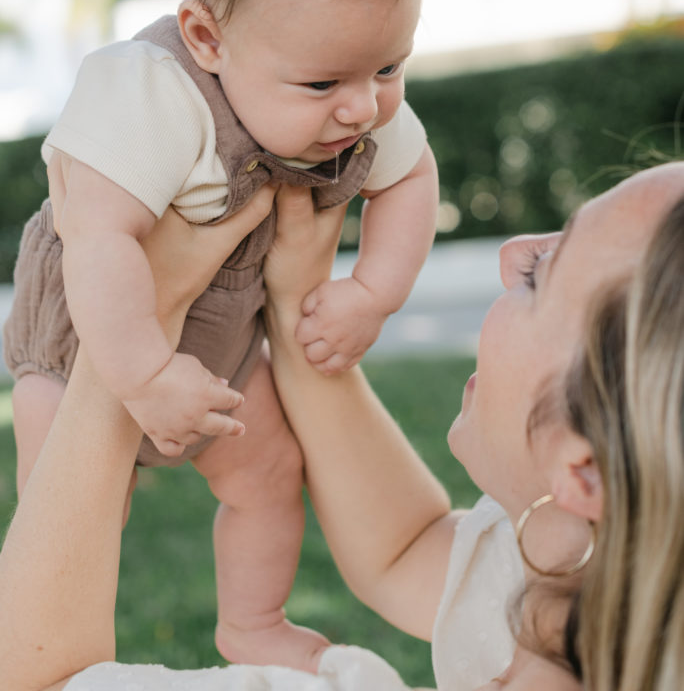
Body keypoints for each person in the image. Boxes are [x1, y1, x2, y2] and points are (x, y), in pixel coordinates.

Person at [2, 0, 439, 671]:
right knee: (72, 499)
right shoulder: (147, 90)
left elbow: (411, 175)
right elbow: (99, 241)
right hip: (82, 343)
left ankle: (251, 622)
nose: (363, 107)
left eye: (391, 67)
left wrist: (372, 292)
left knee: (272, 472)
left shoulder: (359, 97)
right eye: (324, 84)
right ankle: (49, 648)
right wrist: (141, 375)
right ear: (206, 37)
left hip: (227, 351)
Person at [2, 162, 683, 691]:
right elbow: (405, 549)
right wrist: (298, 298)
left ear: (585, 471)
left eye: (541, 273)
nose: (512, 253)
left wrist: (123, 346)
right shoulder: (602, 599)